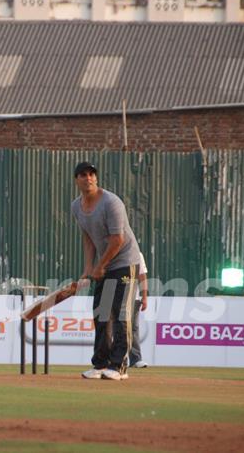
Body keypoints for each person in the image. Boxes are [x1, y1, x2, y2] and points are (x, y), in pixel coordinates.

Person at [71, 161, 141, 381]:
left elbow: (118, 239)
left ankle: (119, 365)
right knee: (101, 315)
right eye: (83, 175)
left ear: (96, 178)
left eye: (92, 174)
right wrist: (88, 268)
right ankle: (100, 364)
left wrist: (100, 266)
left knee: (121, 315)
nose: (88, 178)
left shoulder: (111, 202)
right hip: (105, 263)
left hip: (125, 261)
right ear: (76, 180)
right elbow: (88, 238)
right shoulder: (76, 206)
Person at [129, 252, 149, 369]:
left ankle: (135, 359)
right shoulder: (110, 250)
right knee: (111, 329)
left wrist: (144, 297)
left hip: (133, 298)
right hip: (113, 296)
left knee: (133, 328)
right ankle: (109, 360)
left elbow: (142, 275)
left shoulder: (137, 253)